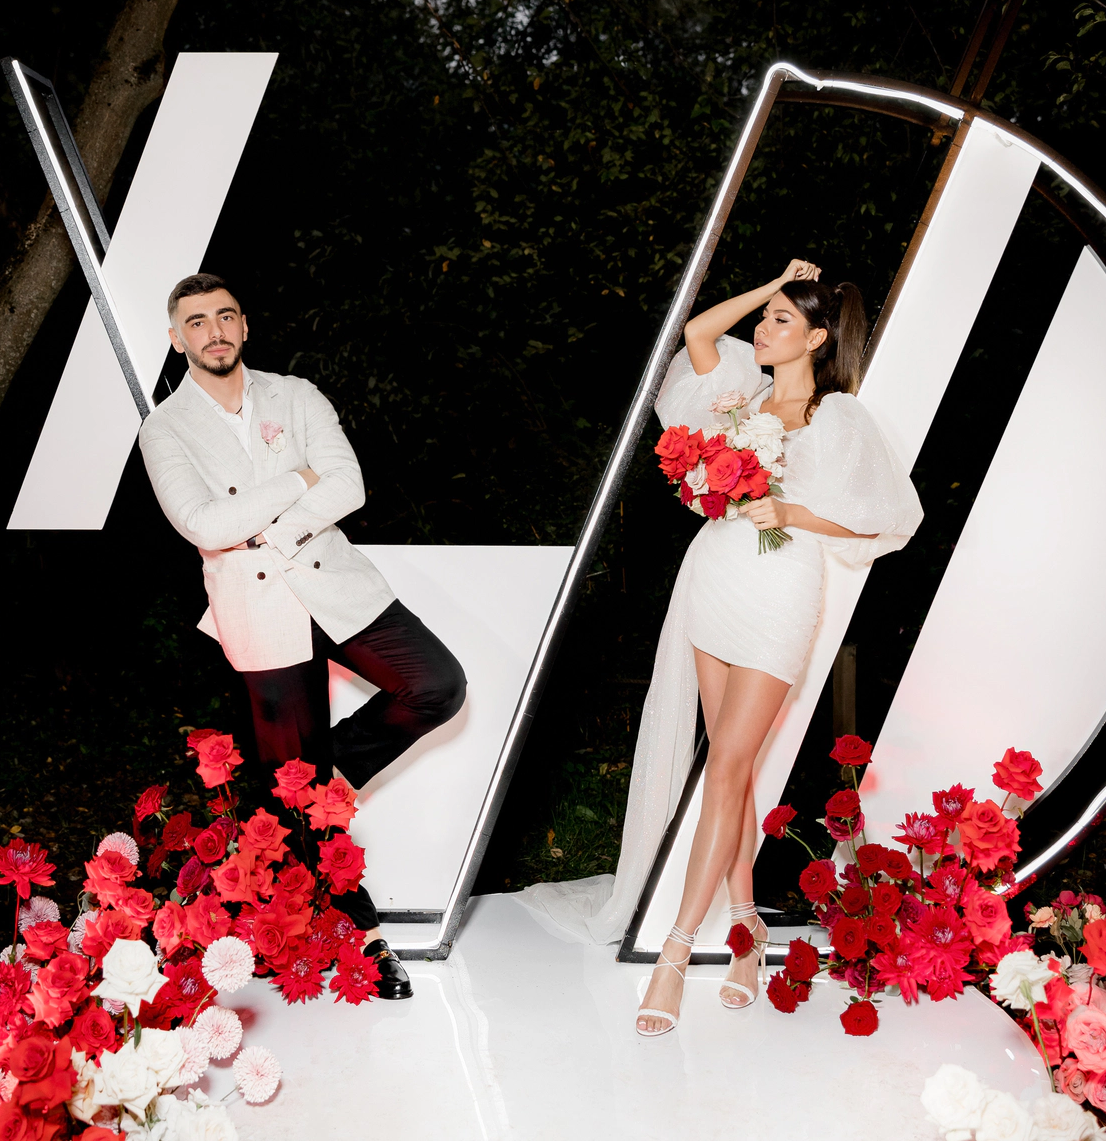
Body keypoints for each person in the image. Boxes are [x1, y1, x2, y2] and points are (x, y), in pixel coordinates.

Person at [518, 258, 922, 1034]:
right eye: (766, 317)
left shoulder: (838, 417)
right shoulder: (743, 393)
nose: (763, 329)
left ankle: (674, 951)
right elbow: (700, 332)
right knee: (726, 771)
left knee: (731, 764)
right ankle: (747, 927)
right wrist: (770, 284)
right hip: (715, 577)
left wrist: (788, 510)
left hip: (780, 590)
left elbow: (883, 519)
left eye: (779, 320)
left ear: (817, 337)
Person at [138, 273, 467, 1000]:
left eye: (225, 316)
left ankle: (331, 765)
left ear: (245, 325)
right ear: (177, 338)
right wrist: (296, 479)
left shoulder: (297, 394)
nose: (214, 331)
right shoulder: (164, 428)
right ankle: (367, 940)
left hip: (334, 583)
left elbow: (349, 484)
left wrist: (273, 528)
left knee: (437, 684)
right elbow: (203, 524)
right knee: (299, 797)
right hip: (255, 611)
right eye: (197, 322)